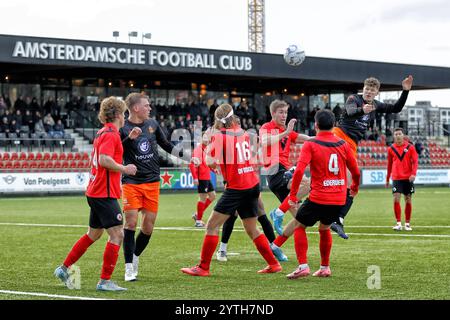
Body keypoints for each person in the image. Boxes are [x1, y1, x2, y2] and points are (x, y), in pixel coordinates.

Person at [181, 104, 282, 277]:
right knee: (252, 229)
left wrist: (205, 144)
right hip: (252, 184)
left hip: (237, 187)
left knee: (212, 226)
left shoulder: (220, 136)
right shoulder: (242, 132)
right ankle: (273, 264)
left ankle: (203, 267)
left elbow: (211, 161)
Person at [54, 97, 137, 291]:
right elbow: (104, 159)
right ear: (117, 114)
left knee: (93, 234)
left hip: (95, 191)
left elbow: (109, 153)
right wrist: (125, 169)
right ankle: (104, 281)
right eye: (124, 113)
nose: (125, 117)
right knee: (117, 235)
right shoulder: (110, 134)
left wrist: (127, 139)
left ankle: (63, 268)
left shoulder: (104, 132)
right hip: (103, 193)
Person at [330, 75, 413, 239]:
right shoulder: (354, 98)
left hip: (352, 144)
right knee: (334, 176)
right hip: (338, 136)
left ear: (376, 92)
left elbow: (396, 108)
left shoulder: (376, 104)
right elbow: (350, 111)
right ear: (364, 89)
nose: (368, 92)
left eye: (372, 90)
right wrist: (362, 110)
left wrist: (405, 91)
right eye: (367, 89)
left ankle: (338, 220)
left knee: (353, 185)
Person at [285, 109, 360, 279]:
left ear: (316, 125)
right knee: (324, 228)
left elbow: (298, 172)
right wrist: (354, 186)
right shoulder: (343, 144)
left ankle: (303, 266)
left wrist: (293, 196)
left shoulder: (311, 144)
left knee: (299, 226)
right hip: (338, 198)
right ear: (333, 125)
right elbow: (355, 171)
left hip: (318, 197)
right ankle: (325, 267)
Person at [120, 92, 178, 282]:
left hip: (152, 182)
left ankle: (135, 256)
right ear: (136, 108)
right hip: (132, 182)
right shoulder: (123, 127)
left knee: (148, 227)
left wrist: (189, 156)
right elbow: (116, 150)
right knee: (130, 222)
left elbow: (166, 145)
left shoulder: (152, 124)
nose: (150, 108)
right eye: (146, 105)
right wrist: (129, 138)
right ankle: (128, 267)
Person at [214, 116, 287, 262]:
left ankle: (222, 250)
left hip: (241, 182)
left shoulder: (232, 138)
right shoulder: (245, 137)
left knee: (235, 216)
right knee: (260, 215)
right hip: (249, 181)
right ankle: (275, 248)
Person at [259, 99, 311, 236]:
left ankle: (276, 246)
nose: (284, 115)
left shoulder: (286, 131)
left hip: (284, 174)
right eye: (281, 112)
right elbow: (264, 142)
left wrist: (320, 138)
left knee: (301, 220)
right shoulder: (266, 127)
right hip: (276, 171)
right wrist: (285, 133)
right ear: (273, 113)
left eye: (286, 112)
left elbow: (302, 138)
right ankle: (278, 212)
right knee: (308, 183)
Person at [385, 128, 418, 231]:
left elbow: (415, 161)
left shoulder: (410, 147)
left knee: (408, 199)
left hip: (408, 178)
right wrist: (387, 178)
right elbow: (389, 164)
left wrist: (413, 174)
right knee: (396, 198)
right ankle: (398, 223)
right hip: (396, 178)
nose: (398, 136)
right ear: (394, 136)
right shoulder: (391, 149)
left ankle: (407, 224)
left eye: (399, 134)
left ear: (403, 135)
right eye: (396, 134)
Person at [189, 129, 216, 227]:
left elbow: (206, 164)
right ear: (201, 138)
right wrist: (195, 178)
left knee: (212, 196)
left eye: (208, 137)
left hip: (206, 177)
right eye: (204, 136)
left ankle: (197, 214)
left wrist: (214, 170)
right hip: (201, 178)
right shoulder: (198, 149)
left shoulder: (206, 149)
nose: (207, 138)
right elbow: (192, 164)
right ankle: (198, 221)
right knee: (203, 198)